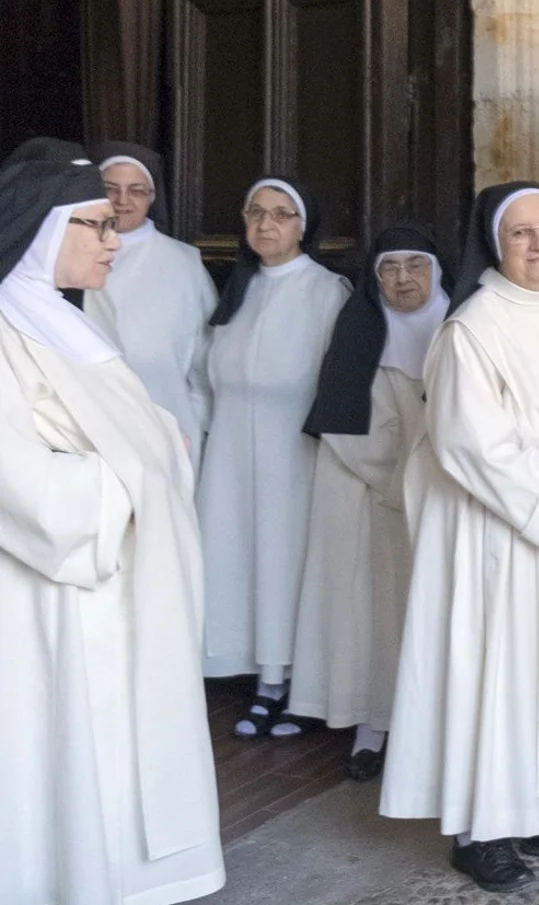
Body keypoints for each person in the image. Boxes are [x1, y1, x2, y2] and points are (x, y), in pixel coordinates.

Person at [382, 182, 539, 894]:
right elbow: (469, 446)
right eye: (521, 233)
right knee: (497, 674)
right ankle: (482, 829)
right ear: (495, 243)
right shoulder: (473, 326)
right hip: (500, 529)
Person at [0, 156, 225, 903]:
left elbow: (137, 425)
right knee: (69, 757)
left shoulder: (68, 320)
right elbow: (20, 480)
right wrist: (125, 482)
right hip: (59, 600)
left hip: (126, 588)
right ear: (39, 236)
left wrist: (158, 445)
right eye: (94, 224)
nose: (114, 239)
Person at [289, 224, 452, 781]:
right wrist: (398, 484)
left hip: (445, 496)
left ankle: (435, 727)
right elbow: (346, 426)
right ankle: (372, 725)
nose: (403, 279)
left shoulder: (461, 332)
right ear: (374, 278)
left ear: (438, 270)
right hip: (372, 495)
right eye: (389, 268)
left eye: (416, 265)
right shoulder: (360, 331)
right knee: (373, 614)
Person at [197, 178, 351, 735]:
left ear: (302, 226)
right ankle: (256, 676)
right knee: (239, 558)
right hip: (233, 450)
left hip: (293, 452)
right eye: (256, 213)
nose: (266, 225)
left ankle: (290, 684)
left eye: (281, 214)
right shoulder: (237, 286)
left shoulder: (326, 290)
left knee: (285, 562)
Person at [82, 141, 218, 468]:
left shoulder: (185, 262)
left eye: (136, 191)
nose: (123, 200)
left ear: (151, 197)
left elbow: (206, 353)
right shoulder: (71, 253)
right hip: (93, 417)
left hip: (170, 418)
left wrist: (197, 418)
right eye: (110, 189)